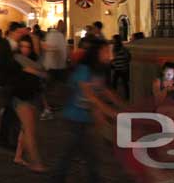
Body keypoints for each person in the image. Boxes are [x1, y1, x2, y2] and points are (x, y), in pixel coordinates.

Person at [52, 38, 124, 183]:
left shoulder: (99, 70)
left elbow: (105, 91)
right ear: (97, 52)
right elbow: (91, 97)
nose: (110, 55)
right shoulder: (83, 70)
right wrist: (114, 114)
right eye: (106, 51)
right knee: (70, 155)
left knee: (88, 155)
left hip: (86, 119)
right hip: (73, 119)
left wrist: (124, 107)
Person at [12, 35, 47, 172]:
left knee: (25, 129)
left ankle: (18, 156)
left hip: (32, 97)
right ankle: (36, 163)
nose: (24, 49)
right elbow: (37, 70)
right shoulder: (17, 58)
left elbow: (41, 71)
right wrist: (38, 72)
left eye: (27, 46)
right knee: (30, 131)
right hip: (20, 98)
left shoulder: (33, 59)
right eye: (22, 46)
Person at [152, 61, 174, 133]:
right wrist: (166, 90)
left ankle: (173, 133)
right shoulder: (158, 82)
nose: (169, 75)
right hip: (161, 108)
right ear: (163, 71)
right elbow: (157, 103)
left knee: (173, 112)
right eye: (167, 72)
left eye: (172, 73)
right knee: (173, 112)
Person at [110, 34, 131, 100]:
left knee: (118, 83)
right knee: (123, 84)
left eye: (113, 39)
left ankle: (116, 97)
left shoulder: (119, 48)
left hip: (120, 68)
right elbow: (128, 57)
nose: (112, 40)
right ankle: (126, 97)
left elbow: (126, 57)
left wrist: (113, 62)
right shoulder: (122, 48)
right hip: (121, 67)